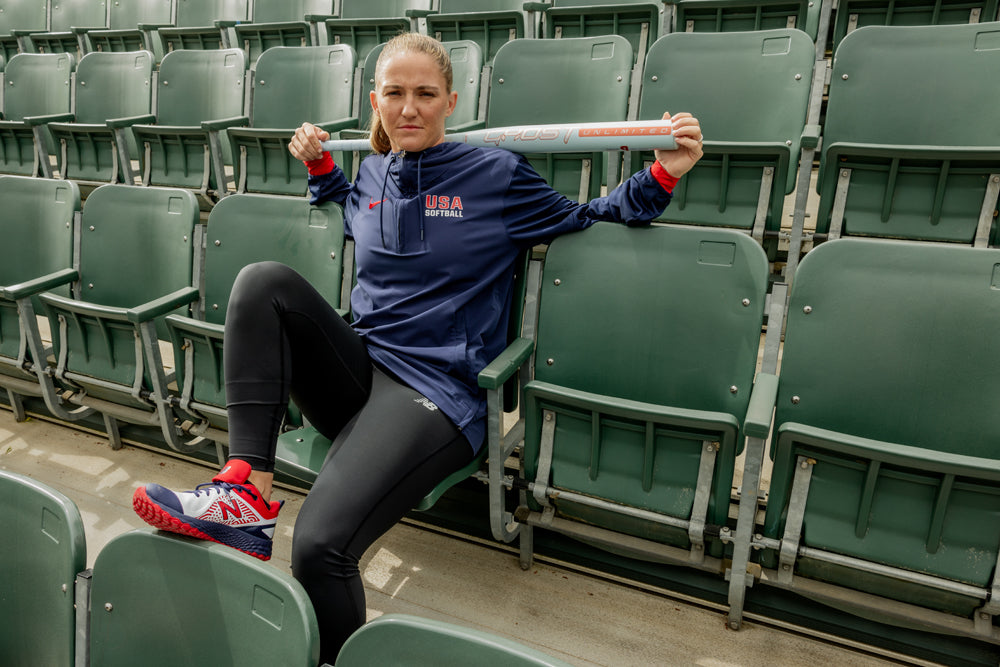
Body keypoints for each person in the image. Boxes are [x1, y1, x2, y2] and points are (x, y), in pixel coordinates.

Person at [132, 32, 703, 662]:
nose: (409, 108)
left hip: (436, 394)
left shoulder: (499, 175)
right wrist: (323, 167)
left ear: (450, 100)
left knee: (321, 549)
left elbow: (590, 217)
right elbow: (353, 206)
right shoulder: (374, 170)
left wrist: (662, 174)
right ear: (375, 101)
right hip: (362, 371)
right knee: (262, 283)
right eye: (395, 94)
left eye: (425, 94)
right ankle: (245, 491)